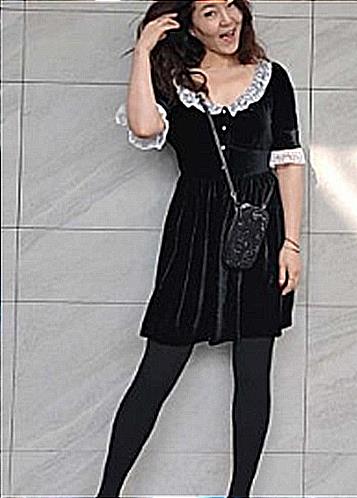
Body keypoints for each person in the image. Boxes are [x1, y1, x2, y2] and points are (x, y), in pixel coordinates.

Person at [96, 0, 314, 496]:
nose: (227, 20)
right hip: (193, 231)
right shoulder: (174, 82)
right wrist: (143, 51)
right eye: (210, 12)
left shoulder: (272, 79)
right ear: (190, 26)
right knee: (157, 371)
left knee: (253, 372)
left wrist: (291, 244)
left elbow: (288, 162)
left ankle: (240, 494)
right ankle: (107, 493)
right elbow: (144, 127)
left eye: (231, 6)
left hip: (259, 232)